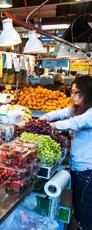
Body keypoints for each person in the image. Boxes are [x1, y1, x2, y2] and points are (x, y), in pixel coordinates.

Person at [39, 76, 92, 230]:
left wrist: (51, 125)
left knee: (85, 209)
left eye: (76, 92)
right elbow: (61, 112)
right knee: (79, 204)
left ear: (87, 93)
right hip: (78, 166)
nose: (72, 96)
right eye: (72, 92)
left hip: (87, 170)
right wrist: (45, 118)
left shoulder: (89, 113)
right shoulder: (78, 109)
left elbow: (75, 122)